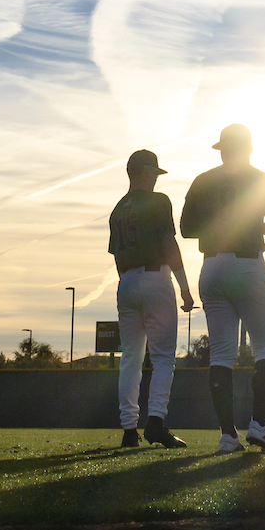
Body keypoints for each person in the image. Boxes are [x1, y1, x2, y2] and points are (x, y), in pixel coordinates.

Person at [179, 123, 265, 453]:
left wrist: (219, 222)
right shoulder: (261, 179)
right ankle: (258, 425)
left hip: (212, 266)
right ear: (250, 149)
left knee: (222, 354)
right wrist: (256, 224)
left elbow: (186, 228)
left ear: (221, 149)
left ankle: (228, 435)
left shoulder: (203, 180)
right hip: (247, 263)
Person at [110, 149, 193, 450]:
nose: (156, 180)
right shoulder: (158, 201)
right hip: (155, 277)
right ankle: (156, 421)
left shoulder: (118, 208)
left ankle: (129, 429)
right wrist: (184, 286)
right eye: (154, 174)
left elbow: (117, 257)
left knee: (130, 359)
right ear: (145, 172)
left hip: (126, 281)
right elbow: (169, 243)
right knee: (162, 357)